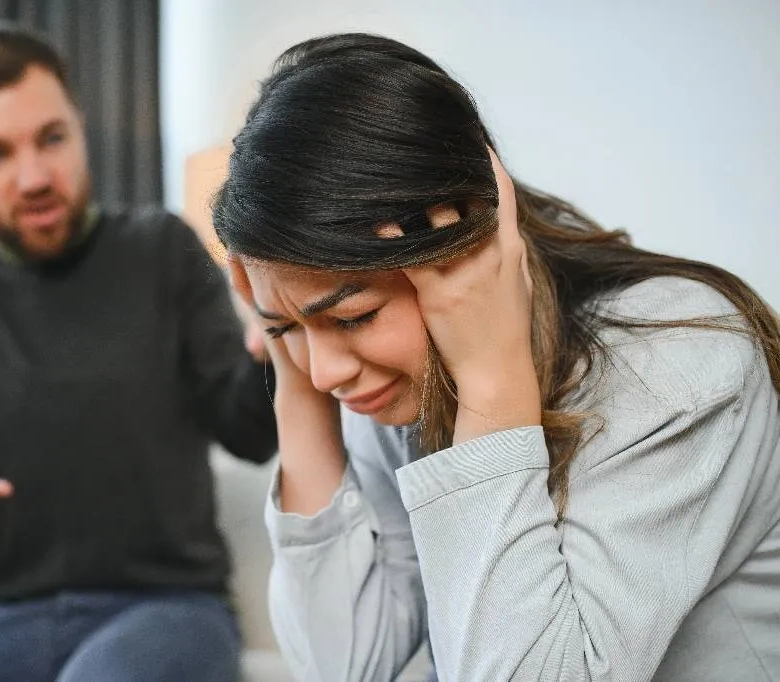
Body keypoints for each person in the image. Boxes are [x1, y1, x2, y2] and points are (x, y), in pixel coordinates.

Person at [213, 33, 780, 681]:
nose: (326, 372)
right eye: (291, 329)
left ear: (462, 252)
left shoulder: (675, 362)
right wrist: (291, 378)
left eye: (353, 317)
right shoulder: (398, 385)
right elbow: (346, 665)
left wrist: (491, 382)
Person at [0, 21, 277, 682]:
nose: (35, 176)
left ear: (79, 130)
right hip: (1, 618)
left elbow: (250, 433)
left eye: (52, 138)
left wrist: (273, 353)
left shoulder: (161, 250)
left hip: (169, 607)